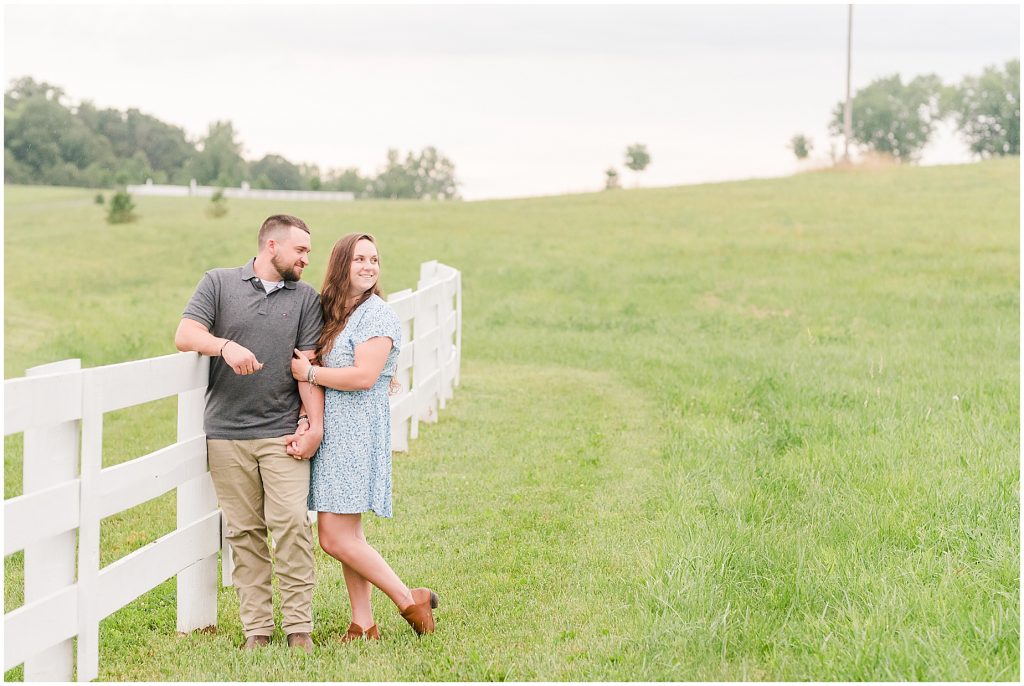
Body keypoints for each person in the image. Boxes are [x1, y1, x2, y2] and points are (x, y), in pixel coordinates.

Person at [174, 214, 325, 653]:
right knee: (244, 533)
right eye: (301, 251)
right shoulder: (219, 283)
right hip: (226, 434)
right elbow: (185, 333)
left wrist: (313, 426)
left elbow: (307, 368)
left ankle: (300, 628)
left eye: (308, 253)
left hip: (282, 435)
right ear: (272, 245)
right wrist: (225, 345)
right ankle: (256, 630)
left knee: (292, 525)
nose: (306, 260)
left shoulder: (305, 298)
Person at [289, 232, 439, 642]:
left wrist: (311, 374)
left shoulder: (377, 315)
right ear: (342, 264)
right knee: (349, 536)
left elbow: (363, 376)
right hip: (336, 431)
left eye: (374, 259)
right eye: (360, 259)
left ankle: (409, 600)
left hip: (355, 433)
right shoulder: (340, 312)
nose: (369, 266)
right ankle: (363, 623)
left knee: (334, 537)